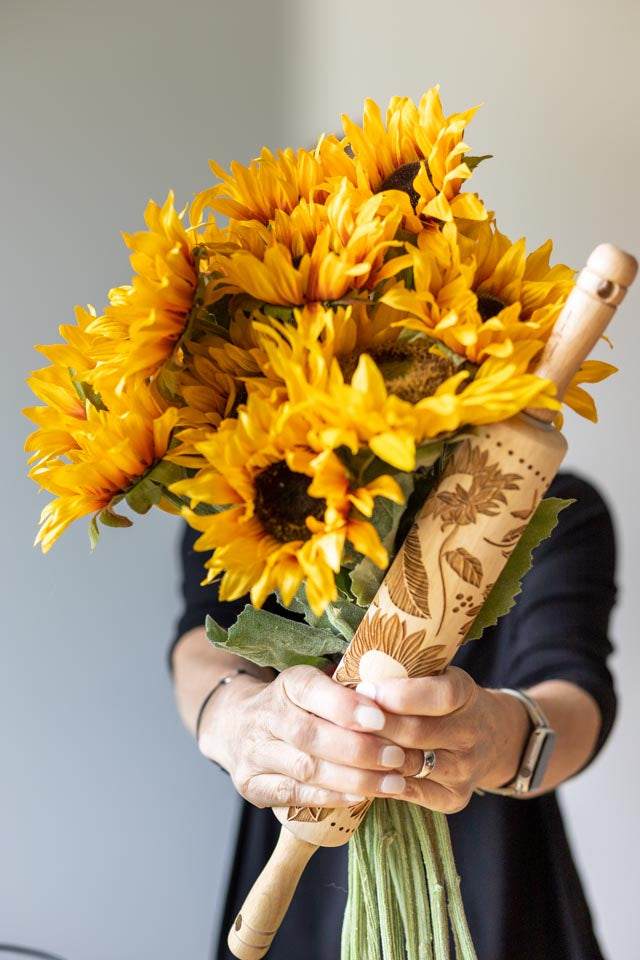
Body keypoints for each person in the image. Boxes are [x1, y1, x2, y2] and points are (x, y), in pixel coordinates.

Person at [169, 471, 617, 960]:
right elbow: (204, 637)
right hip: (301, 835)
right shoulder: (247, 484)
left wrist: (497, 736)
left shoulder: (532, 494)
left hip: (502, 874)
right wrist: (235, 720)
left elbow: (575, 693)